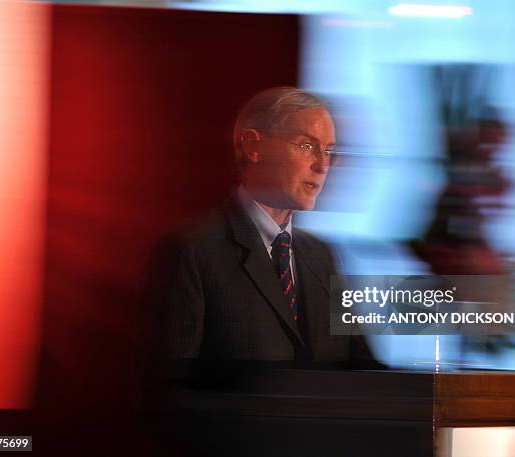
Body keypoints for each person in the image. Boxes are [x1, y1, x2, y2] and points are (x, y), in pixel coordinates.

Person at [136, 87, 380, 403]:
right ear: (254, 146)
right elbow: (164, 395)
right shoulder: (192, 251)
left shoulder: (322, 257)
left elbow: (364, 371)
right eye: (307, 146)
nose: (322, 165)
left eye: (329, 151)